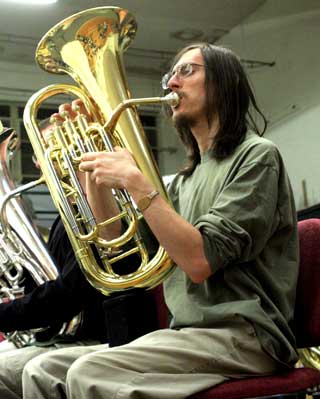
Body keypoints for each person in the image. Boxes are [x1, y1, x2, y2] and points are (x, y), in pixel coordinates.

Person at [21, 43, 299, 399]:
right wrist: (92, 169)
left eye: (188, 71)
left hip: (246, 335)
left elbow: (199, 262)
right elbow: (122, 254)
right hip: (187, 333)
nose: (171, 84)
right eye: (171, 74)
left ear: (224, 83)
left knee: (90, 374)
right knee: (42, 371)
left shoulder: (257, 155)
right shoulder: (184, 181)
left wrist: (138, 183)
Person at [0, 122, 158, 399]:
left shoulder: (103, 210)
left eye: (62, 148)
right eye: (46, 150)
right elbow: (50, 282)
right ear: (38, 162)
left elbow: (69, 294)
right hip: (68, 336)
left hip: (103, 336)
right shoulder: (65, 216)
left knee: (18, 370)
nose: (54, 157)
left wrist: (5, 314)